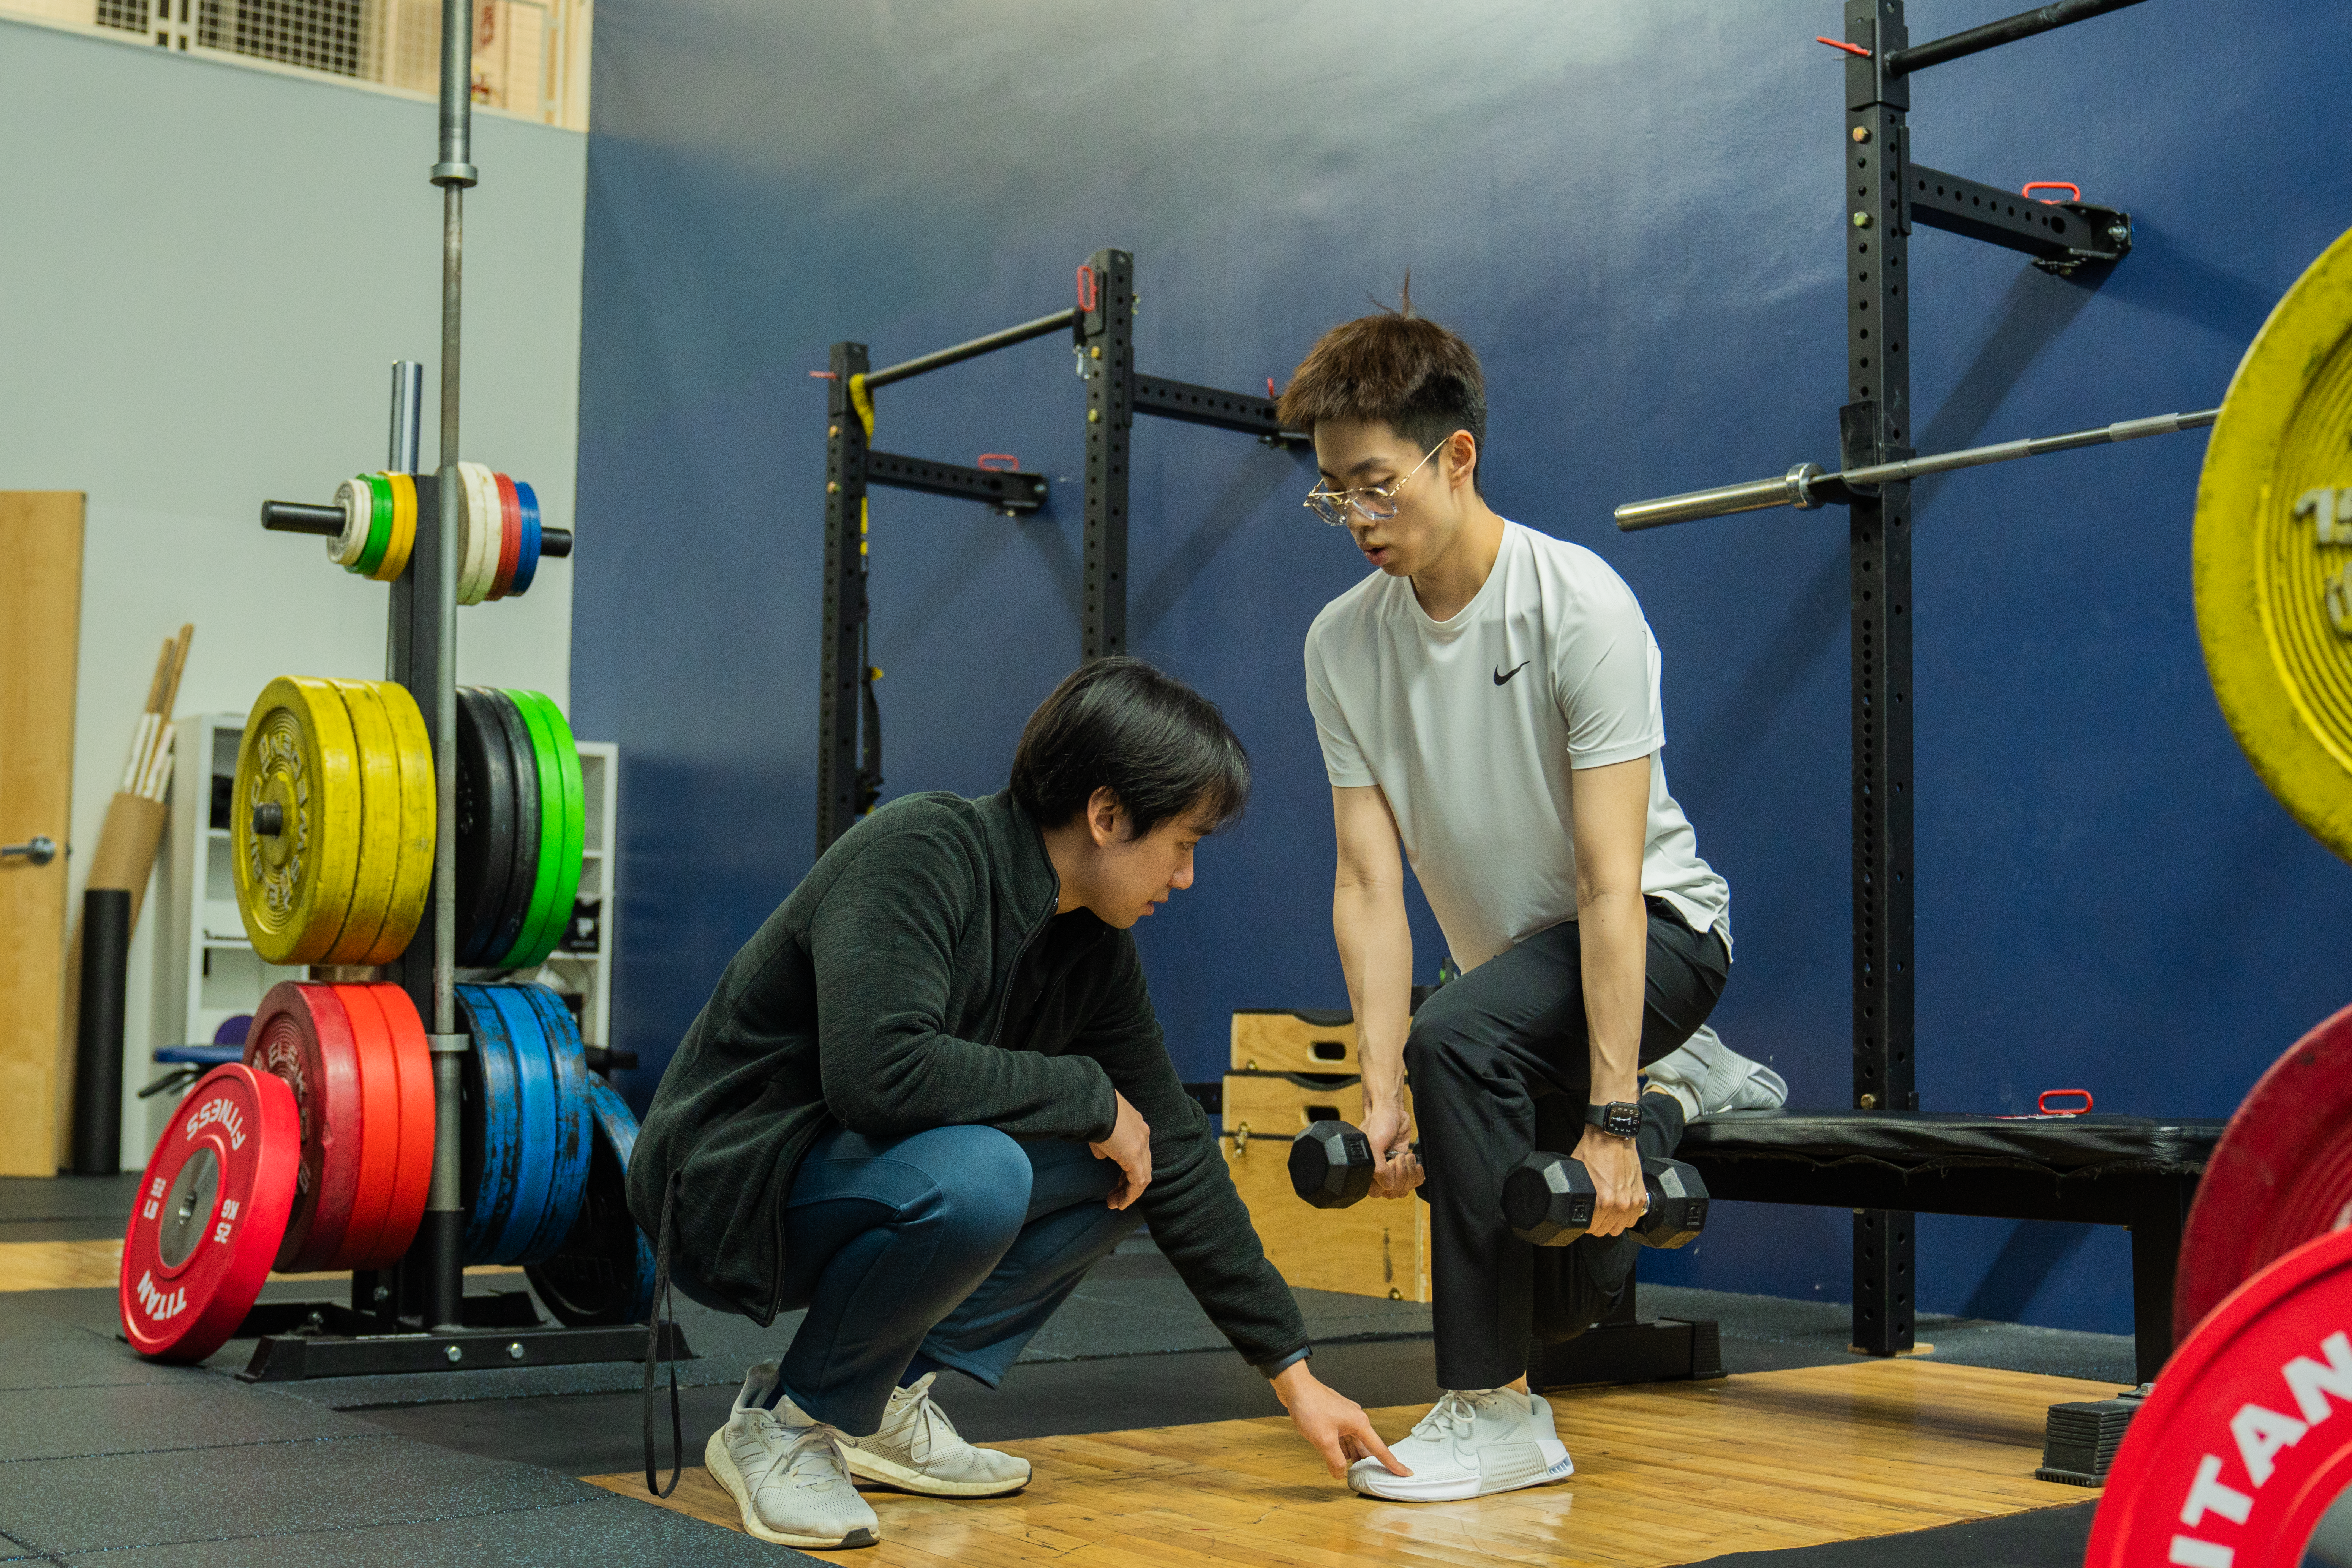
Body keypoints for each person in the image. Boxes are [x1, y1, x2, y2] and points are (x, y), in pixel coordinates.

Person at [626, 656, 1403, 1551]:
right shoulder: (919, 851)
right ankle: (785, 1426)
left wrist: (1294, 1373)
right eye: (1182, 844)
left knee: (1132, 1163)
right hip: (724, 1190)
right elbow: (879, 1074)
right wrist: (1085, 1093)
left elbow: (1178, 1150)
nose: (1186, 876)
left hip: (844, 1174)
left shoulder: (1090, 942)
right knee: (986, 1172)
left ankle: (874, 1406)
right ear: (1108, 816)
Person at [1274, 288, 1785, 1503]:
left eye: (1376, 482)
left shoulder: (1579, 605)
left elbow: (1613, 883)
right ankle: (1689, 1090)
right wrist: (1380, 1085)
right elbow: (1366, 880)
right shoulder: (1342, 645)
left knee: (1466, 1042)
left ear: (1458, 456)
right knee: (1559, 1272)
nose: (1355, 515)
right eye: (1333, 489)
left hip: (1660, 934)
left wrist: (1605, 1123)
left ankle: (1495, 1413)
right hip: (1517, 979)